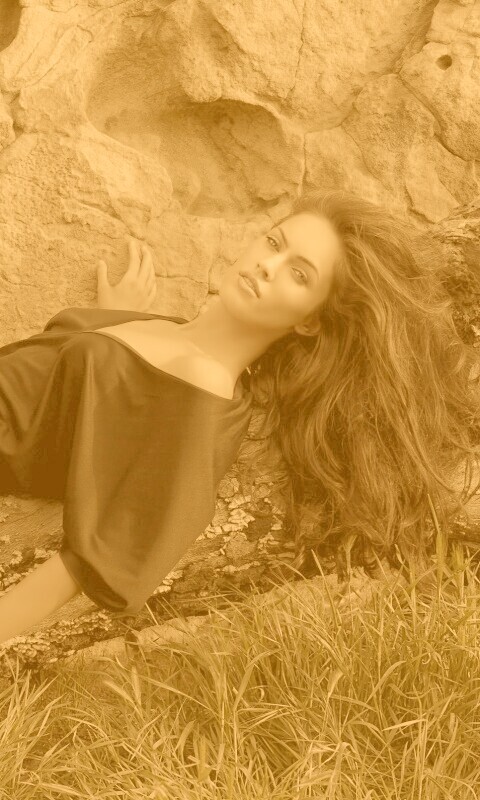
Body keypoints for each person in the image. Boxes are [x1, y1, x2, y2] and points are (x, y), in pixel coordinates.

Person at [0, 188, 479, 646]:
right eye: (274, 242)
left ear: (310, 320)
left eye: (299, 274)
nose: (268, 265)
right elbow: (86, 392)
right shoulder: (170, 333)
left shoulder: (200, 390)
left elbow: (85, 565)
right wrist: (110, 322)